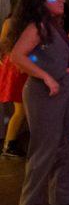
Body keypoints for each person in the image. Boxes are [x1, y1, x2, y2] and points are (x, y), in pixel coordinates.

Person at [4, 0, 69, 205]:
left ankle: (63, 195)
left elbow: (54, 57)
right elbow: (17, 56)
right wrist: (46, 77)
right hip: (45, 92)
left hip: (66, 88)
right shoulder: (36, 26)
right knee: (45, 146)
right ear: (40, 1)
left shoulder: (55, 25)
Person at [0, 12, 29, 158]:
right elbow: (3, 45)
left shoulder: (15, 22)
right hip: (17, 68)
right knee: (21, 110)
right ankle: (9, 144)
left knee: (22, 110)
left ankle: (10, 144)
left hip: (19, 67)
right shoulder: (13, 22)